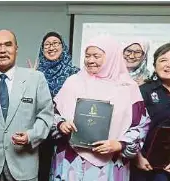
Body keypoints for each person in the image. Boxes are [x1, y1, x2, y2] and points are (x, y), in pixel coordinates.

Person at [50, 36, 150, 180]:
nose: (90, 60)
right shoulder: (73, 82)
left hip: (111, 162)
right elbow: (53, 113)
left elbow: (141, 124)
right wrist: (61, 124)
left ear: (111, 57)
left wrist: (120, 144)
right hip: (70, 159)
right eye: (87, 56)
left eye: (96, 56)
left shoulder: (128, 88)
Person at [0, 29, 54, 181]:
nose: (2, 50)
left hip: (24, 167)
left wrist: (31, 136)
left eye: (8, 45)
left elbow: (46, 115)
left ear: (16, 48)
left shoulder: (35, 78)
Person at [131, 43, 170, 181]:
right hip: (143, 161)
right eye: (163, 60)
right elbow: (131, 127)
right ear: (155, 65)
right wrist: (138, 157)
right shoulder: (144, 90)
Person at [34, 32, 80, 181]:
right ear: (42, 49)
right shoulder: (34, 75)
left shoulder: (75, 74)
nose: (51, 47)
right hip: (40, 134)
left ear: (63, 47)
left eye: (55, 43)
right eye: (47, 44)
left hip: (66, 134)